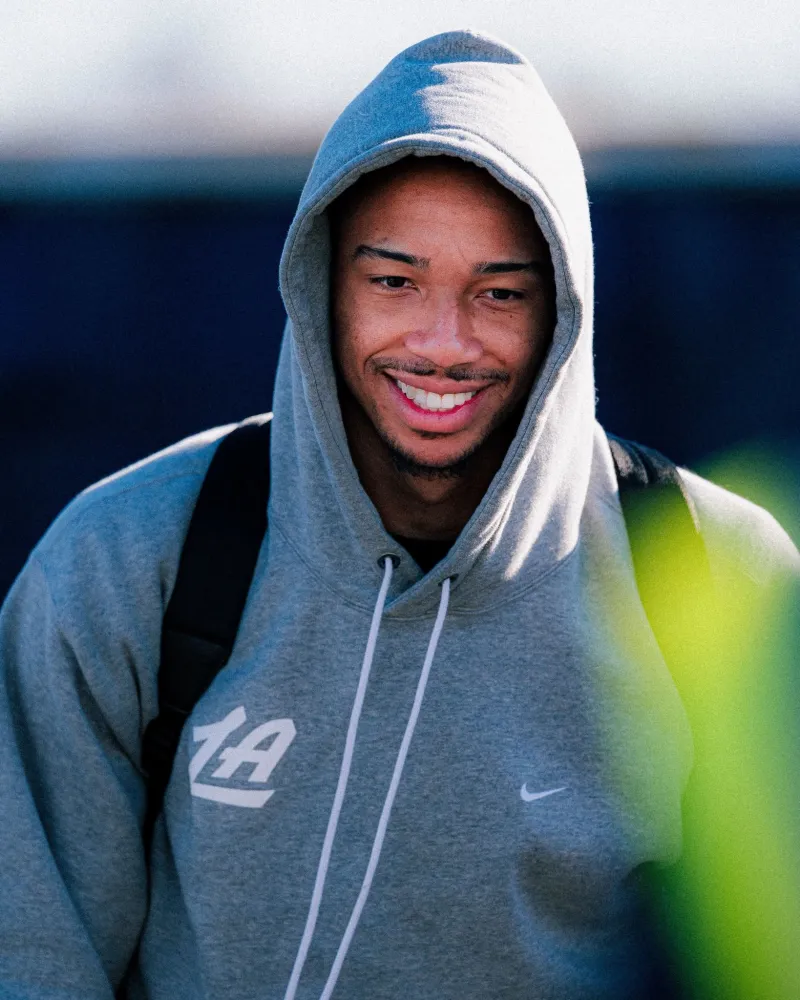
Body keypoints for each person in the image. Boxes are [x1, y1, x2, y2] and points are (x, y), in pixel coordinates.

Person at [1, 30, 798, 1000]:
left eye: (498, 292)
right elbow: (29, 956)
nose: (444, 342)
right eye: (394, 281)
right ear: (321, 286)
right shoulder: (127, 558)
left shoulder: (721, 573)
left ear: (564, 309)